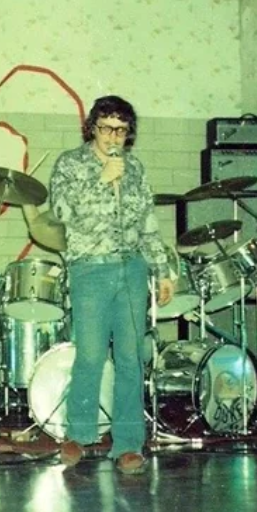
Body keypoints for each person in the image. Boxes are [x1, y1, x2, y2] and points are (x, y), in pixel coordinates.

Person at [35, 95, 174, 474]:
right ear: (92, 127)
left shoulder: (136, 168)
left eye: (122, 130)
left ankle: (128, 444)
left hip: (131, 270)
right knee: (92, 356)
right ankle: (79, 435)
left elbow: (148, 223)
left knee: (131, 359)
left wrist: (162, 271)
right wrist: (101, 181)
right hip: (90, 271)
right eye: (106, 127)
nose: (114, 136)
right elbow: (61, 212)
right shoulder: (70, 164)